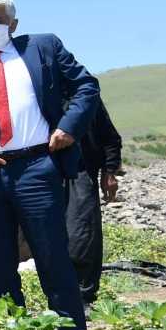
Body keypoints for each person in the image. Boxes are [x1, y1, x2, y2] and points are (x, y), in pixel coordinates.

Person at [0, 0, 99, 330]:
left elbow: (86, 86)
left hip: (37, 167)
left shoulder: (42, 48)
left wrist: (69, 127)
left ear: (13, 24)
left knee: (53, 260)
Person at [65, 97, 122, 303]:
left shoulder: (83, 92)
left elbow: (110, 137)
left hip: (80, 170)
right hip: (42, 169)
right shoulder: (31, 88)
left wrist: (109, 171)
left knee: (83, 234)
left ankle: (84, 297)